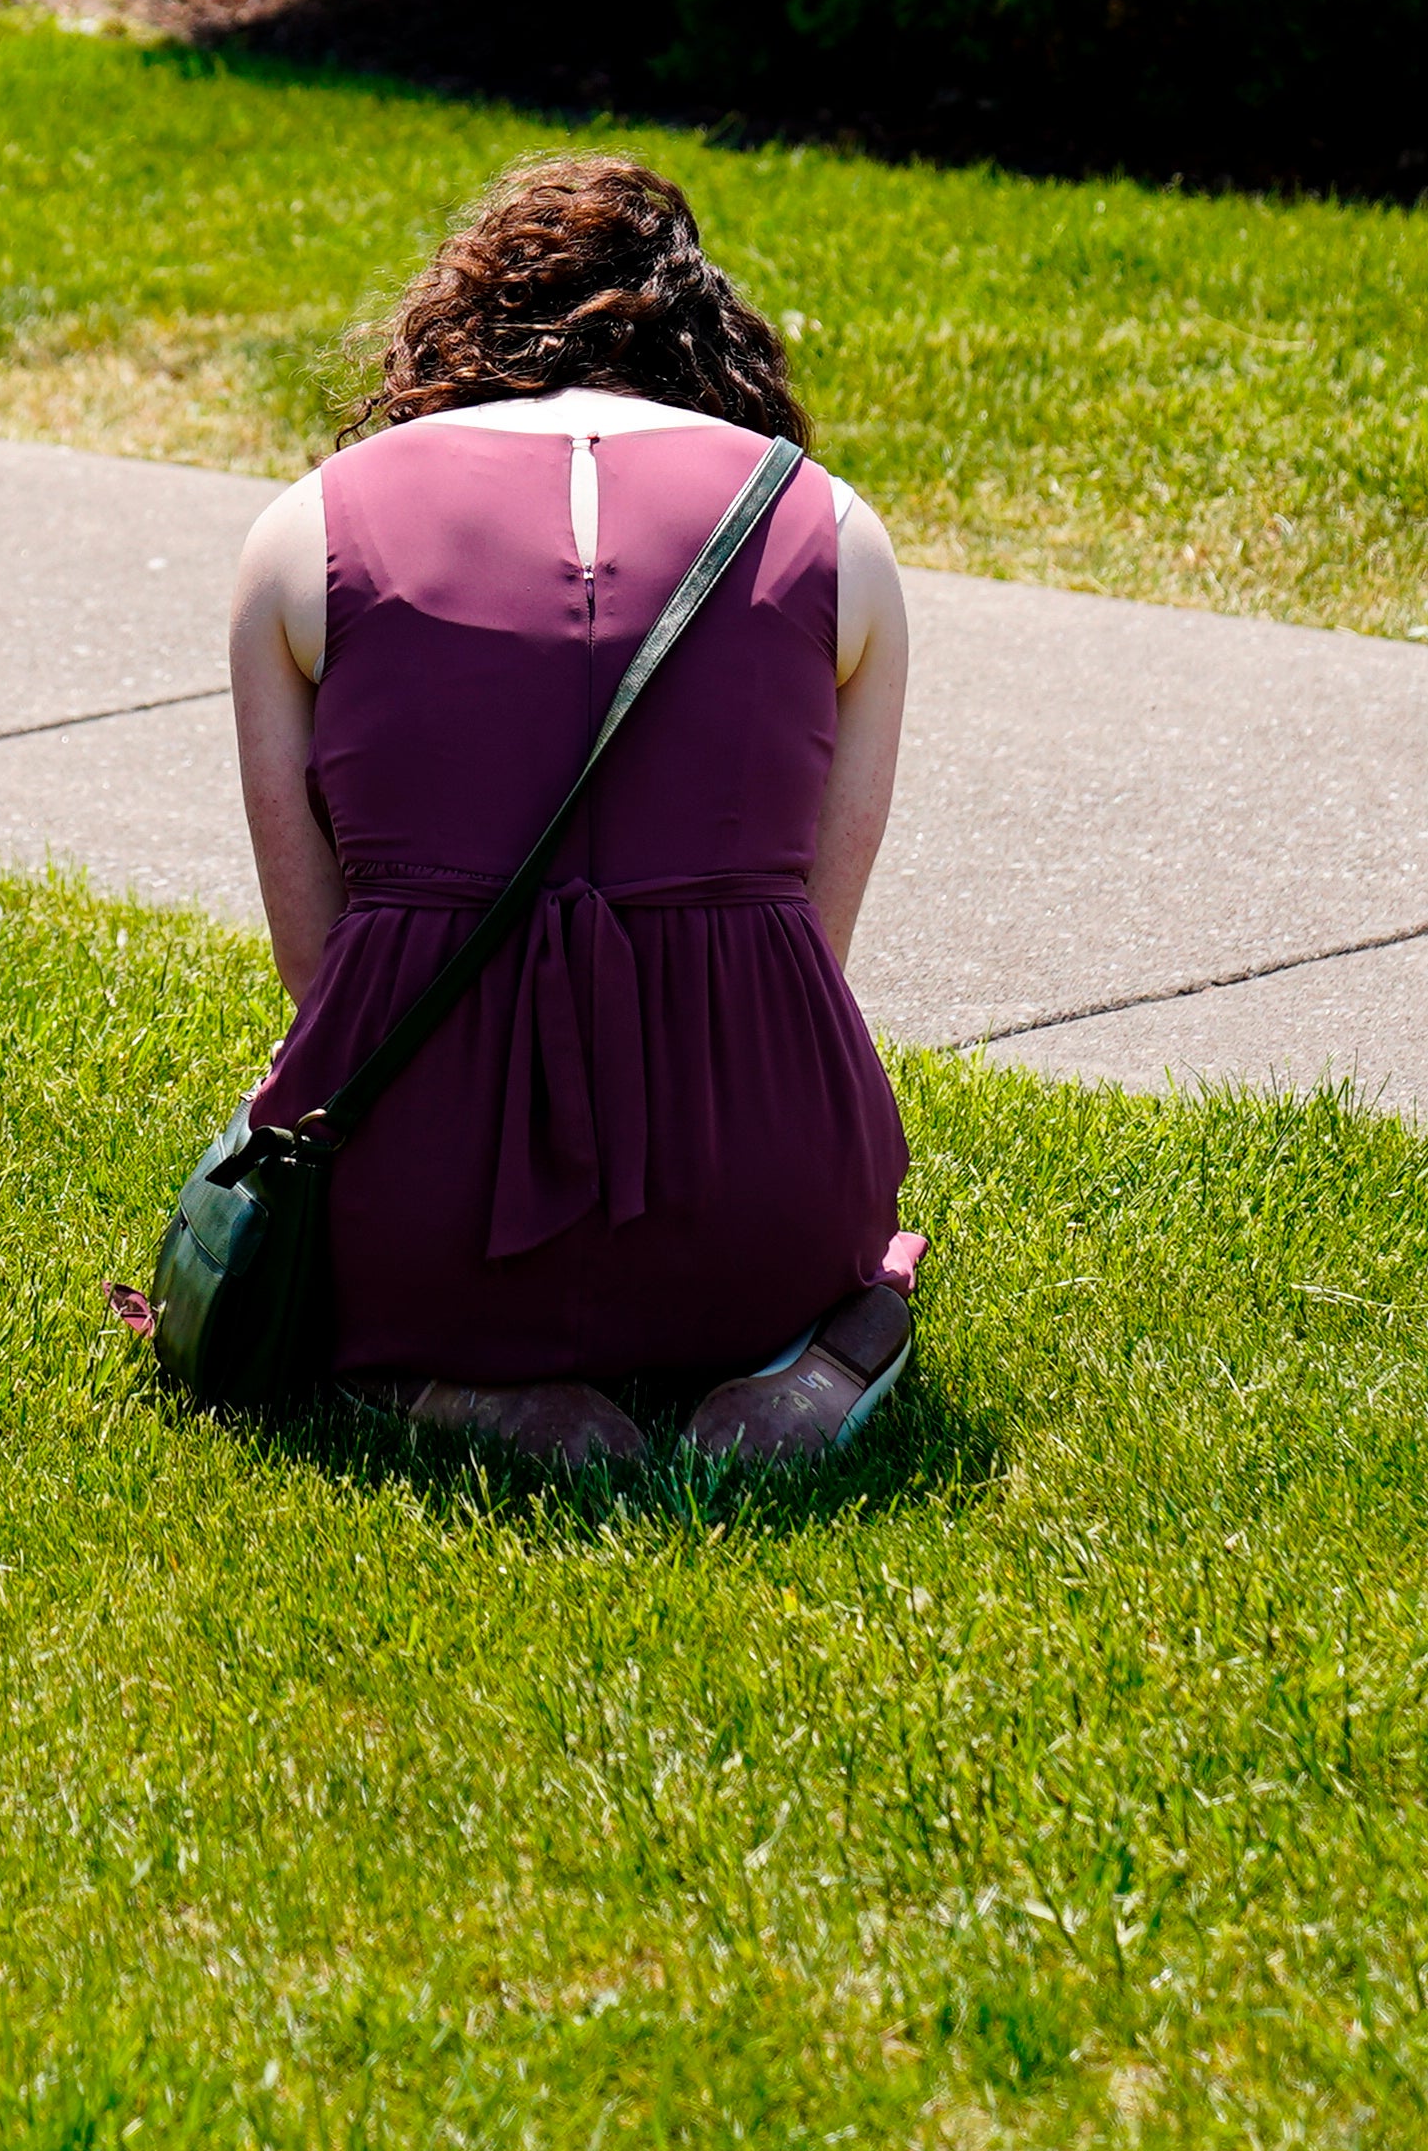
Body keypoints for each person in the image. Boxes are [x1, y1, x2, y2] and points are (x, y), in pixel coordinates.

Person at [222, 155, 918, 1469]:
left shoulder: (302, 532)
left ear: (458, 330)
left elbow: (321, 977)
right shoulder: (834, 531)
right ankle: (820, 1362)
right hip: (761, 1202)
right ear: (711, 345)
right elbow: (808, 959)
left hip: (420, 1218)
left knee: (320, 1222)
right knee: (833, 1254)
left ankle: (464, 1391)